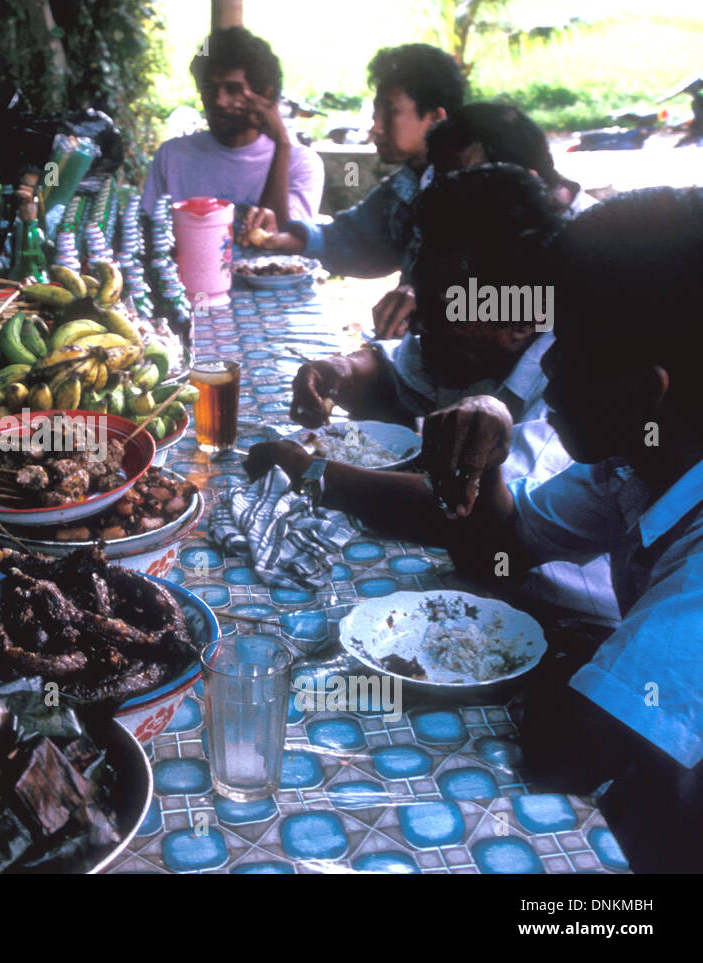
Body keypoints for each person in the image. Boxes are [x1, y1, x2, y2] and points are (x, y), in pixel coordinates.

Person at [413, 188, 703, 872]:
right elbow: (506, 548)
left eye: (566, 346)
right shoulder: (638, 461)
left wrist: (571, 662)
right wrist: (484, 450)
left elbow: (573, 748)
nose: (544, 366)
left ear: (644, 393)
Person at [245, 164, 618, 626]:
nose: (417, 325)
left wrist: (314, 473)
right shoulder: (469, 341)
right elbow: (398, 366)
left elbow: (463, 514)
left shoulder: (569, 397)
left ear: (518, 323)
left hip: (559, 621)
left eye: (440, 314)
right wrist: (338, 371)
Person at [242, 44, 465, 337]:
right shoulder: (409, 184)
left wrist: (433, 300)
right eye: (376, 111)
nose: (376, 127)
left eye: (390, 112)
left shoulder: (479, 194)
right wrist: (285, 241)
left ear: (436, 118)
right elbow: (358, 240)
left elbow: (517, 297)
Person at [371, 102, 600, 339]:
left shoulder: (598, 247)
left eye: (475, 182)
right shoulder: (458, 214)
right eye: (445, 182)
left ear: (527, 182)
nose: (453, 198)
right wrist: (416, 296)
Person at [141, 26, 323, 228]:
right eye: (209, 89)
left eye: (233, 89)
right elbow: (150, 234)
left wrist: (282, 144)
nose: (219, 101)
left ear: (265, 95)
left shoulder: (300, 163)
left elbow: (283, 241)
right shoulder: (173, 156)